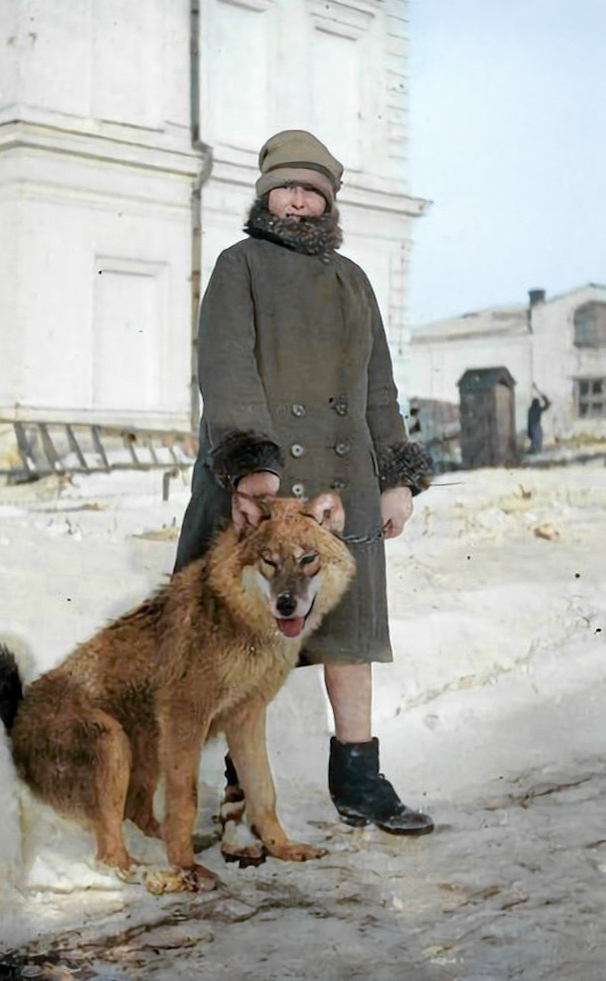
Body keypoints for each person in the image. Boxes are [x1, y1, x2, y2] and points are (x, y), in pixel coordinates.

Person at [175, 130, 433, 835]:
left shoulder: (354, 280)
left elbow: (379, 387)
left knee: (349, 637)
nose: (297, 198)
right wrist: (252, 464)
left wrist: (396, 475)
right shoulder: (240, 265)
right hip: (262, 487)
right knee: (244, 644)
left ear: (328, 202)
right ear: (265, 195)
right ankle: (237, 793)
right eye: (286, 187)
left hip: (344, 485)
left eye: (311, 189)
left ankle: (360, 779)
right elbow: (227, 367)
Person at [527, 386, 550, 454]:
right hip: (535, 425)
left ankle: (534, 450)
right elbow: (547, 405)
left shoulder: (532, 409)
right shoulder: (536, 409)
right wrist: (544, 397)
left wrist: (544, 397)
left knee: (537, 438)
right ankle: (534, 450)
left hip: (534, 425)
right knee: (536, 438)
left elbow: (546, 405)